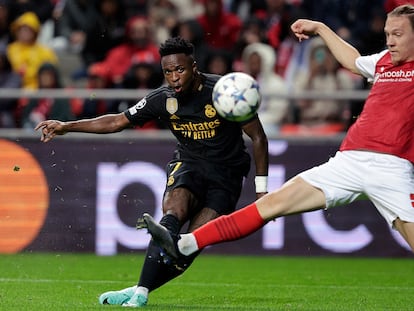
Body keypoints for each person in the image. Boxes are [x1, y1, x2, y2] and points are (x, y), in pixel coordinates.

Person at [139, 4, 414, 264]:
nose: (390, 41)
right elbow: (353, 61)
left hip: (391, 168)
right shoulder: (383, 61)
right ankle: (186, 243)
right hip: (349, 160)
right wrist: (319, 28)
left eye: (398, 34)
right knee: (271, 204)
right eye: (388, 34)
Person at [34, 37, 269, 307]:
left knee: (187, 248)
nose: (174, 78)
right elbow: (117, 121)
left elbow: (259, 138)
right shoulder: (162, 98)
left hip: (226, 174)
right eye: (168, 72)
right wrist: (67, 126)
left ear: (193, 67)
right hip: (189, 165)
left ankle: (139, 288)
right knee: (172, 213)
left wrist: (261, 190)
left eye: (179, 70)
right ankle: (141, 295)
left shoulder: (224, 91)